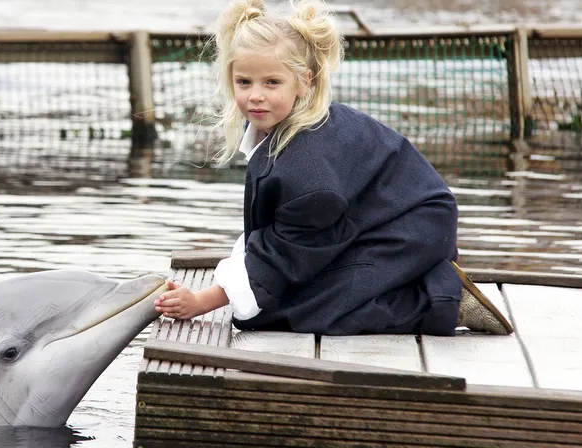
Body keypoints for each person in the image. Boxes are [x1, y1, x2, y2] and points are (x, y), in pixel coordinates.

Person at [154, 0, 513, 336]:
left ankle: (440, 298)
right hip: (371, 217)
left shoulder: (308, 172)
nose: (255, 95)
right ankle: (415, 279)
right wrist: (235, 275)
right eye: (244, 82)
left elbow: (286, 253)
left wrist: (204, 300)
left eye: (272, 82)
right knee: (282, 295)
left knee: (299, 313)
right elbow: (282, 233)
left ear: (304, 82)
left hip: (410, 229)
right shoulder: (289, 131)